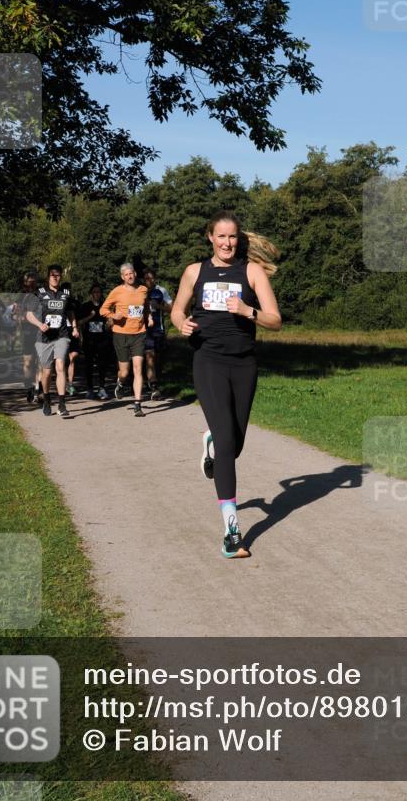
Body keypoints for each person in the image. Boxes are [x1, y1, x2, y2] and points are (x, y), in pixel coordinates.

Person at [171, 211, 282, 560]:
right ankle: (231, 532)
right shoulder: (194, 272)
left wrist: (247, 311)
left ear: (239, 239)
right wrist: (182, 325)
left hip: (244, 364)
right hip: (208, 360)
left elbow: (275, 320)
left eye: (232, 237)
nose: (227, 243)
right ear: (210, 238)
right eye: (221, 237)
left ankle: (211, 445)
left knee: (233, 448)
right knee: (226, 439)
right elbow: (176, 311)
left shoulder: (252, 272)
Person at [25, 264, 78, 419]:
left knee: (61, 365)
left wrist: (74, 327)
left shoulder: (65, 294)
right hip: (44, 338)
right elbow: (29, 314)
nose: (55, 277)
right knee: (47, 372)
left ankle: (62, 404)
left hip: (61, 336)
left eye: (58, 275)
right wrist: (39, 324)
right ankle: (47, 399)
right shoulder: (39, 293)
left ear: (61, 276)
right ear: (48, 276)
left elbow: (70, 313)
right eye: (52, 275)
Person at [100, 263, 153, 417]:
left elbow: (146, 306)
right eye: (126, 274)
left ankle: (138, 404)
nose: (130, 276)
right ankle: (121, 383)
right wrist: (113, 315)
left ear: (135, 273)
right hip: (121, 334)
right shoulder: (117, 291)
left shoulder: (143, 289)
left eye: (131, 273)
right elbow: (103, 309)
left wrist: (148, 317)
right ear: (122, 277)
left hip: (139, 333)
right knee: (124, 371)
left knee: (138, 368)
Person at [78, 283, 111, 400]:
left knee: (102, 364)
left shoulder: (104, 306)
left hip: (102, 339)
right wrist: (90, 316)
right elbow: (79, 322)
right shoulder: (85, 306)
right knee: (89, 365)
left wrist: (109, 324)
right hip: (89, 340)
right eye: (95, 292)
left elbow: (109, 321)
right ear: (91, 294)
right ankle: (90, 389)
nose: (97, 294)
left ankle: (102, 388)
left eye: (99, 292)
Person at [143, 268, 172, 399]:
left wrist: (159, 306)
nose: (149, 280)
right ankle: (154, 387)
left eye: (151, 278)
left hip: (158, 329)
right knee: (150, 355)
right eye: (146, 278)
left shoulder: (162, 291)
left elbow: (172, 308)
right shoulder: (140, 291)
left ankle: (152, 381)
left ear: (155, 278)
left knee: (158, 359)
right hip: (143, 330)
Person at [17, 272, 41, 403]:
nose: (31, 284)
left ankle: (38, 389)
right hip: (27, 332)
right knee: (28, 362)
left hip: (40, 331)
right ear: (25, 283)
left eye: (33, 282)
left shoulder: (40, 294)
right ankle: (29, 387)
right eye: (29, 282)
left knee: (40, 362)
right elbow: (17, 314)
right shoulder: (22, 296)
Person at [62, 282, 80, 396]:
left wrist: (77, 328)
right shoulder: (59, 301)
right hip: (62, 331)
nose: (67, 292)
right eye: (64, 289)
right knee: (62, 360)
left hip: (73, 331)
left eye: (68, 289)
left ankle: (70, 384)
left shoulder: (75, 302)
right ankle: (62, 384)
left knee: (73, 357)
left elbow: (79, 317)